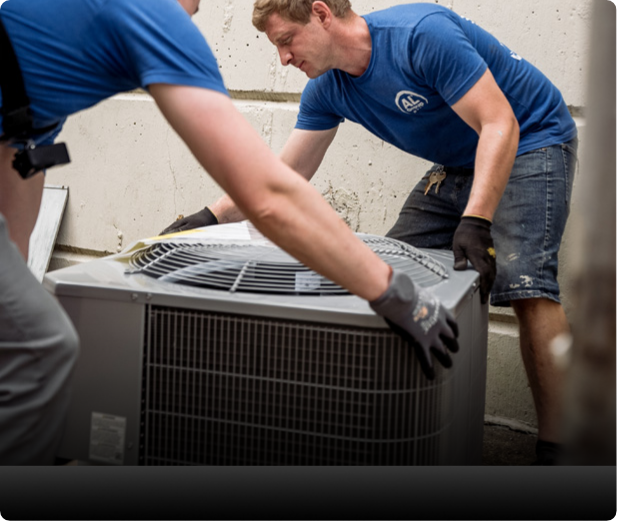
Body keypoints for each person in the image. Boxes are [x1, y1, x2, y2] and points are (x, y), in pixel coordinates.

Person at [0, 0, 458, 464]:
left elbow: (19, 152)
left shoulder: (48, 48)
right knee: (43, 346)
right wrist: (392, 291)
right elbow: (271, 195)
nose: (196, 10)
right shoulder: (149, 14)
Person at [162, 1, 578, 465]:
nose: (283, 59)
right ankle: (400, 423)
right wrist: (209, 216)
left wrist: (476, 219)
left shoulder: (421, 35)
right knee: (392, 273)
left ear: (321, 14)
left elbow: (500, 123)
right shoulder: (326, 88)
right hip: (460, 162)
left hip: (530, 139)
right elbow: (282, 180)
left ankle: (559, 451)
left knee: (526, 286)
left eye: (286, 41)